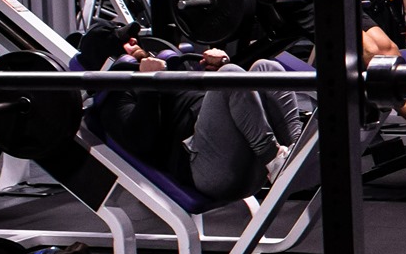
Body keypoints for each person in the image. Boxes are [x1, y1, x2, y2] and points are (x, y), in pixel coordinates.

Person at [79, 23, 305, 203]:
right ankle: (274, 161)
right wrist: (149, 84)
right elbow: (141, 142)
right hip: (204, 168)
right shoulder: (114, 97)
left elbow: (214, 106)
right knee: (231, 75)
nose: (134, 40)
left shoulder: (166, 66)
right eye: (124, 42)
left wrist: (215, 69)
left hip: (230, 153)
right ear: (111, 59)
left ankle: (297, 151)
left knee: (266, 68)